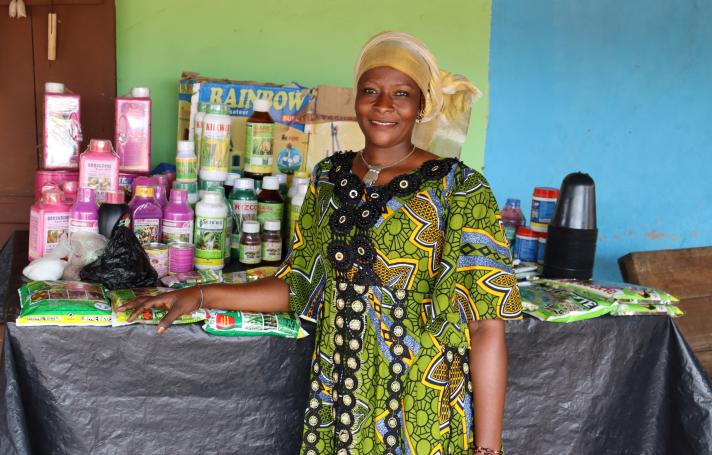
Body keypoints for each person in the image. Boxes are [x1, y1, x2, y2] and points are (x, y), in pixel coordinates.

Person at [119, 31, 522, 455]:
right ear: (356, 99)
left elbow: (485, 325)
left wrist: (489, 449)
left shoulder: (460, 188)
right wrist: (200, 294)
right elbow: (300, 286)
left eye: (401, 94)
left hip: (422, 407)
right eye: (371, 90)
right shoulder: (329, 179)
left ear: (421, 105)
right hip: (339, 401)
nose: (383, 105)